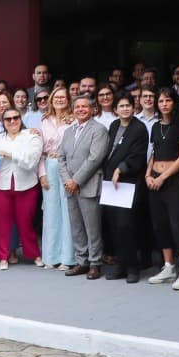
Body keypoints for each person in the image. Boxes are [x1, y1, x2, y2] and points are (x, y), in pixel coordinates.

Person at [146, 88, 179, 290]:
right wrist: (148, 174)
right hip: (154, 179)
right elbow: (153, 153)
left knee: (177, 223)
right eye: (161, 101)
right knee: (160, 223)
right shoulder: (156, 127)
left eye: (168, 100)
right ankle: (168, 266)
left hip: (173, 179)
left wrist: (163, 177)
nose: (164, 104)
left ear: (174, 103)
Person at [60, 95, 112, 278]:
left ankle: (95, 263)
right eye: (77, 107)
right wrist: (68, 180)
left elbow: (95, 158)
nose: (80, 109)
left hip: (88, 185)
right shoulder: (68, 131)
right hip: (70, 186)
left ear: (92, 109)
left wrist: (76, 180)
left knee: (92, 227)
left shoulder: (99, 130)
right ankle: (81, 261)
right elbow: (61, 158)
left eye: (84, 106)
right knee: (77, 226)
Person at [0, 104, 43, 270]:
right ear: (3, 122)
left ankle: (34, 254)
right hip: (1, 185)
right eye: (8, 119)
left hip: (26, 186)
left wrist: (10, 154)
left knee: (26, 223)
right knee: (1, 224)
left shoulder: (31, 136)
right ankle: (2, 257)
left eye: (15, 118)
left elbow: (31, 159)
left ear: (21, 119)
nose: (12, 121)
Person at [101, 95, 149, 284]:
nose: (125, 109)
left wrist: (121, 169)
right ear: (115, 109)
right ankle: (120, 265)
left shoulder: (139, 128)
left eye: (128, 105)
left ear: (133, 107)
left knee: (127, 225)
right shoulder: (113, 126)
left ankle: (132, 267)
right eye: (121, 106)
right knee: (114, 225)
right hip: (111, 183)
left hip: (129, 182)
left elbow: (137, 156)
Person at [36, 86, 75, 270]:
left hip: (67, 166)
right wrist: (42, 174)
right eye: (56, 97)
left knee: (68, 211)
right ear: (51, 100)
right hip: (49, 165)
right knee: (51, 212)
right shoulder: (44, 121)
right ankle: (51, 257)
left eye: (63, 97)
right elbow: (40, 151)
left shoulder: (74, 120)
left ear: (68, 100)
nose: (59, 100)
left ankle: (68, 259)